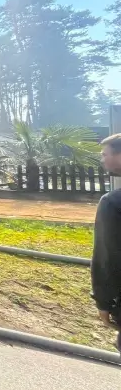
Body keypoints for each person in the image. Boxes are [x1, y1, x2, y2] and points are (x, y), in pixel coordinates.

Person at [94, 133, 121, 352]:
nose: (102, 160)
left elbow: (106, 257)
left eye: (105, 154)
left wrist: (103, 302)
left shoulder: (112, 203)